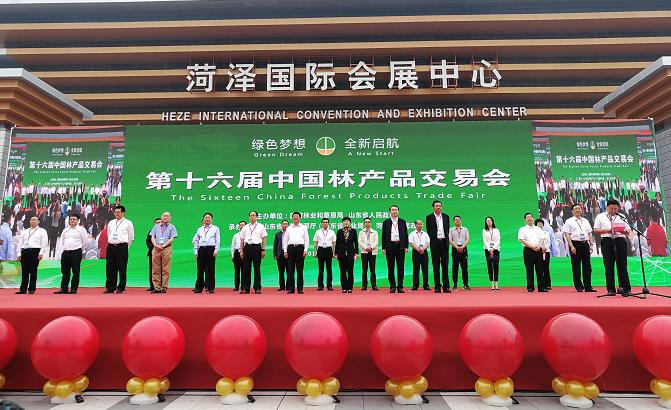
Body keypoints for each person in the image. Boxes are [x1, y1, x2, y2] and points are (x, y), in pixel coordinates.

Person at [593, 199, 632, 296]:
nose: (613, 210)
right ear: (606, 207)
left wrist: (625, 231)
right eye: (611, 208)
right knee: (609, 265)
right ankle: (611, 289)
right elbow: (596, 230)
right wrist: (607, 230)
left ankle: (625, 288)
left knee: (622, 265)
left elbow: (628, 229)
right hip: (607, 241)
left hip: (620, 241)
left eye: (615, 208)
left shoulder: (621, 216)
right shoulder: (600, 216)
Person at [562, 204, 595, 292]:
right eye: (576, 209)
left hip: (585, 244)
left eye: (579, 208)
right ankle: (579, 286)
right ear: (572, 211)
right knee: (576, 266)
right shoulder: (569, 221)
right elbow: (567, 234)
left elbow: (590, 233)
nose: (578, 210)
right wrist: (571, 246)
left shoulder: (585, 221)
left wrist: (591, 244)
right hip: (575, 244)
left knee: (587, 266)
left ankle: (588, 286)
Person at [54, 213, 88, 294]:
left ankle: (73, 289)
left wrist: (80, 250)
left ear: (78, 220)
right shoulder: (65, 230)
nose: (72, 220)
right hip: (66, 252)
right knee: (65, 271)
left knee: (75, 271)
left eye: (74, 219)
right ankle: (64, 288)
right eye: (71, 219)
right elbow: (62, 241)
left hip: (76, 252)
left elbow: (85, 242)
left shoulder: (81, 230)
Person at [104, 205, 134, 294]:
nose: (116, 214)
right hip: (111, 247)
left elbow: (131, 237)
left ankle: (121, 287)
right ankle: (110, 287)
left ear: (123, 213)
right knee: (110, 267)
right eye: (115, 212)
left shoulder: (128, 223)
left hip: (122, 247)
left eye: (118, 212)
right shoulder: (111, 222)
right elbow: (108, 234)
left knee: (122, 267)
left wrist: (125, 246)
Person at [15, 216, 48, 294]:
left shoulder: (42, 231)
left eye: (34, 220)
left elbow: (44, 243)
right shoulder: (25, 231)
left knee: (33, 270)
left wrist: (41, 253)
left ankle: (32, 289)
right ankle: (23, 289)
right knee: (24, 271)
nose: (32, 221)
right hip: (25, 251)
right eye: (31, 220)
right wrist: (19, 253)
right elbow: (20, 243)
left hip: (35, 251)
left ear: (38, 221)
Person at [382, 205, 408, 293]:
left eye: (396, 210)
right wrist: (384, 247)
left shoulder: (402, 221)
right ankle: (392, 286)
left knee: (401, 267)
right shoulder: (386, 222)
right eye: (392, 210)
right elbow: (384, 235)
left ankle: (400, 286)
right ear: (390, 211)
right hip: (390, 246)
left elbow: (405, 234)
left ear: (398, 211)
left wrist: (406, 246)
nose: (394, 211)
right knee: (390, 267)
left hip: (400, 246)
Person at [239, 211, 268, 294]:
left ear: (257, 217)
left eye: (254, 215)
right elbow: (242, 239)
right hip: (247, 247)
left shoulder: (261, 226)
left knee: (257, 268)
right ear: (249, 217)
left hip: (257, 248)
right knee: (246, 268)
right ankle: (246, 288)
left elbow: (264, 238)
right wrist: (241, 251)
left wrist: (263, 249)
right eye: (251, 215)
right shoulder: (245, 227)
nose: (252, 217)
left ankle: (257, 288)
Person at [426, 200, 450, 293]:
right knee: (436, 266)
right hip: (435, 244)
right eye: (436, 206)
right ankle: (437, 286)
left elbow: (447, 229)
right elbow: (429, 231)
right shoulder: (429, 217)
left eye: (440, 206)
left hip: (444, 243)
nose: (438, 207)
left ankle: (446, 287)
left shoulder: (446, 216)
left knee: (445, 266)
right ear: (433, 207)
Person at [518, 212, 546, 292]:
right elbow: (522, 240)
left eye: (531, 217)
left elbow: (542, 238)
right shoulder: (522, 229)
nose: (529, 218)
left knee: (540, 269)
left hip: (538, 249)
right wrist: (531, 246)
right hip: (528, 250)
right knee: (529, 269)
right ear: (525, 220)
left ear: (533, 218)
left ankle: (541, 287)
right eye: (527, 217)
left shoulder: (538, 229)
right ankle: (530, 287)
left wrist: (539, 246)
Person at [150, 211, 177, 293]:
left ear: (170, 218)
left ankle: (164, 287)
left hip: (166, 248)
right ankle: (156, 287)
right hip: (156, 248)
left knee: (165, 269)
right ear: (161, 217)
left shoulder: (172, 227)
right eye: (164, 216)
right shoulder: (156, 226)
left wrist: (164, 245)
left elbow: (172, 238)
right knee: (155, 269)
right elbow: (152, 237)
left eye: (167, 216)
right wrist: (155, 245)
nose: (165, 217)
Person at [193, 212, 220, 293]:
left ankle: (211, 287)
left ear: (211, 219)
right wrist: (196, 251)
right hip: (201, 249)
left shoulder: (215, 228)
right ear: (203, 219)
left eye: (209, 218)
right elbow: (196, 240)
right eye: (206, 217)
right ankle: (199, 287)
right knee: (200, 269)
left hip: (210, 249)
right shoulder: (200, 229)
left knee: (211, 268)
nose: (207, 219)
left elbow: (217, 240)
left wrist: (216, 250)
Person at [283, 211, 309, 294]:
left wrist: (305, 250)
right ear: (292, 218)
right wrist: (285, 251)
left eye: (297, 216)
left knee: (300, 269)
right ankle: (291, 289)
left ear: (300, 218)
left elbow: (306, 240)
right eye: (294, 216)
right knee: (290, 269)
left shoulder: (303, 227)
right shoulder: (289, 228)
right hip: (290, 248)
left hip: (300, 248)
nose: (295, 217)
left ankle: (300, 288)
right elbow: (285, 240)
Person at [335, 217, 358, 293]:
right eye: (344, 221)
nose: (346, 222)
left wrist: (356, 253)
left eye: (347, 221)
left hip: (351, 254)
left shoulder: (353, 231)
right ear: (342, 223)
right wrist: (336, 253)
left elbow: (356, 243)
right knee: (342, 271)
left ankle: (350, 288)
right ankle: (344, 288)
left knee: (350, 271)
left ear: (350, 222)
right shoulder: (339, 231)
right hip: (341, 254)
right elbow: (337, 243)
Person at [313, 218, 336, 291]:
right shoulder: (318, 231)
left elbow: (334, 243)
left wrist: (334, 252)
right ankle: (320, 285)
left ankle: (329, 285)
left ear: (328, 223)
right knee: (321, 269)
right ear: (321, 223)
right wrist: (315, 251)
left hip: (329, 250)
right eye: (323, 222)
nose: (325, 223)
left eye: (326, 222)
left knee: (329, 268)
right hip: (320, 250)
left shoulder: (332, 232)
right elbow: (315, 242)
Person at [448, 215, 470, 291]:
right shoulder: (451, 230)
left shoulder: (465, 229)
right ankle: (455, 285)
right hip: (455, 249)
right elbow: (450, 240)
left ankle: (465, 284)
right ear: (454, 221)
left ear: (461, 221)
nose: (457, 221)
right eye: (456, 220)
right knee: (455, 267)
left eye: (459, 219)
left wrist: (462, 247)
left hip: (464, 249)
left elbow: (467, 239)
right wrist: (457, 247)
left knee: (464, 267)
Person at [408, 219, 430, 291]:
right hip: (415, 252)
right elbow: (411, 243)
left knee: (425, 269)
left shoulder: (425, 234)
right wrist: (418, 249)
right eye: (419, 224)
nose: (421, 225)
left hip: (424, 252)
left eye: (421, 224)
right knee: (416, 269)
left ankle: (426, 285)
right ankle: (415, 285)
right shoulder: (412, 234)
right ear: (415, 225)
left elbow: (428, 243)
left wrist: (423, 249)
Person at [358, 217, 379, 291]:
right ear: (364, 223)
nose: (367, 223)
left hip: (372, 252)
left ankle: (374, 285)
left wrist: (371, 247)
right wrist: (366, 248)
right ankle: (364, 285)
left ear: (370, 223)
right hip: (364, 252)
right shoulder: (361, 232)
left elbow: (376, 242)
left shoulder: (375, 232)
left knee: (372, 269)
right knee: (364, 269)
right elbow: (360, 242)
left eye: (369, 222)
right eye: (366, 222)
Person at [482, 216, 501, 290]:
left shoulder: (496, 230)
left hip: (496, 249)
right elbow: (484, 241)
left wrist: (493, 248)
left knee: (496, 266)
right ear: (486, 222)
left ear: (492, 221)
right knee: (489, 266)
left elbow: (498, 240)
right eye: (487, 221)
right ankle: (492, 283)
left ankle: (496, 283)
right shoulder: (484, 230)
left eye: (490, 220)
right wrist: (489, 249)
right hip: (487, 250)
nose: (489, 222)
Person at [535, 219, 552, 291]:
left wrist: (545, 248)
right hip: (538, 252)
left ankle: (548, 284)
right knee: (540, 268)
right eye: (538, 224)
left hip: (546, 251)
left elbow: (548, 242)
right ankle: (542, 285)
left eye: (541, 224)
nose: (539, 225)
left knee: (546, 268)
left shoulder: (546, 233)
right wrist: (541, 248)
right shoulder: (534, 233)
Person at [273, 220, 289, 291]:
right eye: (283, 224)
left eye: (286, 224)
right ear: (281, 225)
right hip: (280, 254)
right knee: (281, 271)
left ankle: (289, 286)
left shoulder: (290, 233)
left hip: (288, 254)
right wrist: (275, 254)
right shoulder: (278, 234)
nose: (285, 225)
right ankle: (282, 286)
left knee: (289, 271)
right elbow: (275, 245)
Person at [145, 218, 160, 292]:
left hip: (162, 252)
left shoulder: (165, 232)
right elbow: (148, 241)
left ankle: (160, 286)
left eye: (159, 222)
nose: (158, 224)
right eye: (156, 222)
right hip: (152, 253)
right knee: (152, 269)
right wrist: (154, 248)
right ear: (154, 224)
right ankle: (152, 286)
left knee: (161, 270)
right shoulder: (151, 232)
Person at [231, 220, 246, 291]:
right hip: (237, 253)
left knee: (244, 270)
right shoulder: (235, 235)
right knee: (236, 270)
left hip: (245, 253)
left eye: (243, 225)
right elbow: (233, 246)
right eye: (240, 225)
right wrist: (232, 255)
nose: (242, 226)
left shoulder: (247, 235)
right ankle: (236, 286)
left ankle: (243, 286)